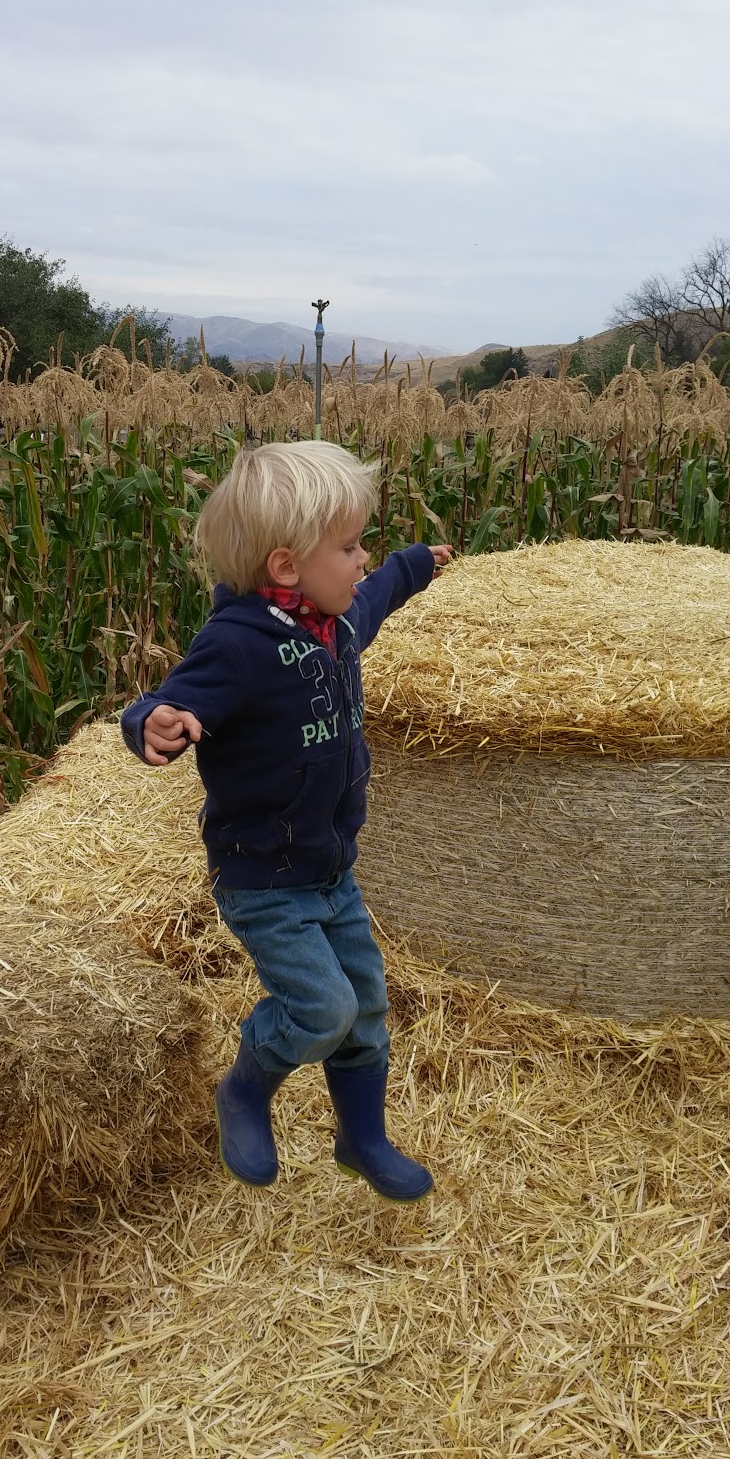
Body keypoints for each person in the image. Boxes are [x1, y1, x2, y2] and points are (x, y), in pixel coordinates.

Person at [121, 441, 451, 1201]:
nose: (362, 560)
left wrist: (414, 565)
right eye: (349, 546)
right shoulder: (238, 645)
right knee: (323, 1010)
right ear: (285, 567)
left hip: (331, 869)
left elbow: (377, 593)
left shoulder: (335, 622)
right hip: (264, 876)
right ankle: (244, 1090)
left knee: (365, 1008)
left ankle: (362, 1140)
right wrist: (154, 723)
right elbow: (167, 699)